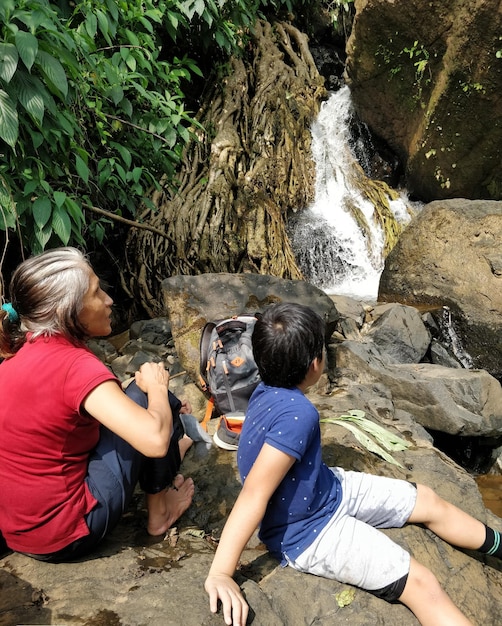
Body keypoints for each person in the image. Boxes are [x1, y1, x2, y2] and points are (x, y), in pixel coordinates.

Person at [204, 302, 502, 626]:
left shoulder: (263, 387)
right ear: (315, 364)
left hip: (328, 490)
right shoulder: (298, 415)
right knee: (421, 583)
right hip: (308, 533)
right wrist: (221, 571)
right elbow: (254, 494)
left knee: (427, 499)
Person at [0, 247, 195, 562]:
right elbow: (155, 442)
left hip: (18, 532)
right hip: (67, 535)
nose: (108, 300)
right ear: (69, 311)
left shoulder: (14, 358)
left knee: (137, 397)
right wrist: (158, 387)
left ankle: (174, 447)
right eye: (96, 292)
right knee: (147, 396)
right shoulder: (76, 366)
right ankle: (160, 514)